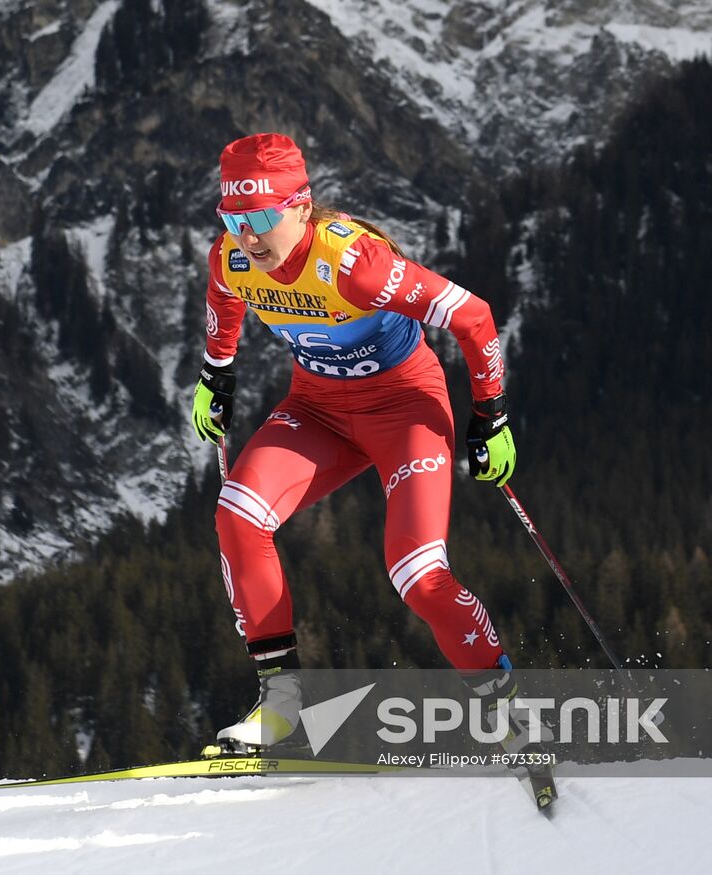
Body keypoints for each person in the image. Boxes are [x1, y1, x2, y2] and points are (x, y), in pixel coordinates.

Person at [192, 132, 525, 754]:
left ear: (299, 206)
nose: (248, 236)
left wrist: (493, 418)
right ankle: (280, 704)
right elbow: (223, 301)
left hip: (404, 411)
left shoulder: (354, 265)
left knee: (418, 577)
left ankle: (505, 708)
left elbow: (474, 317)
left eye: (262, 216)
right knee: (237, 516)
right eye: (234, 219)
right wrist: (217, 372)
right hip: (317, 409)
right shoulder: (232, 259)